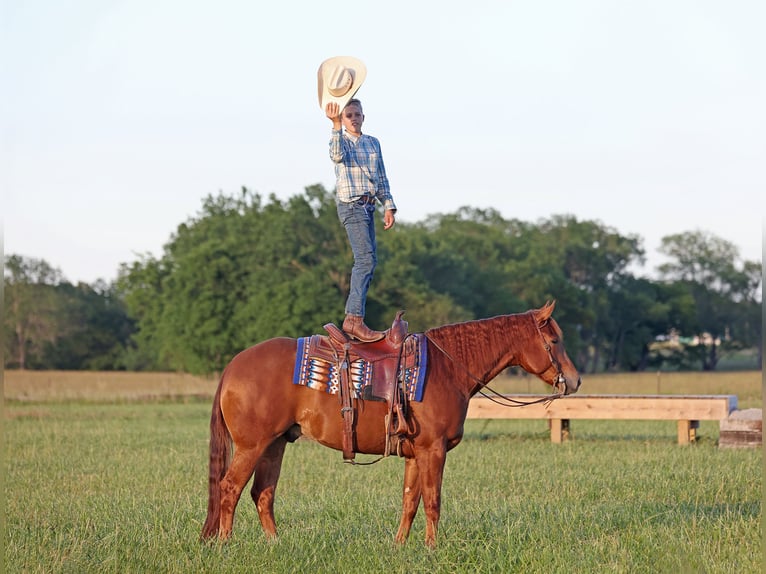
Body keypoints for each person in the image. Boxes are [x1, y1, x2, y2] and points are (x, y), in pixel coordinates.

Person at [325, 98, 397, 342]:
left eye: (357, 114)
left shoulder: (373, 143)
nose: (354, 118)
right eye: (349, 115)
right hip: (351, 205)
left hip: (368, 206)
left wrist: (389, 206)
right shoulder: (341, 140)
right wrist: (335, 125)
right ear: (344, 120)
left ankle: (355, 318)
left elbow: (382, 177)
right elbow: (336, 156)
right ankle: (353, 319)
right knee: (364, 260)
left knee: (371, 260)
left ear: (363, 117)